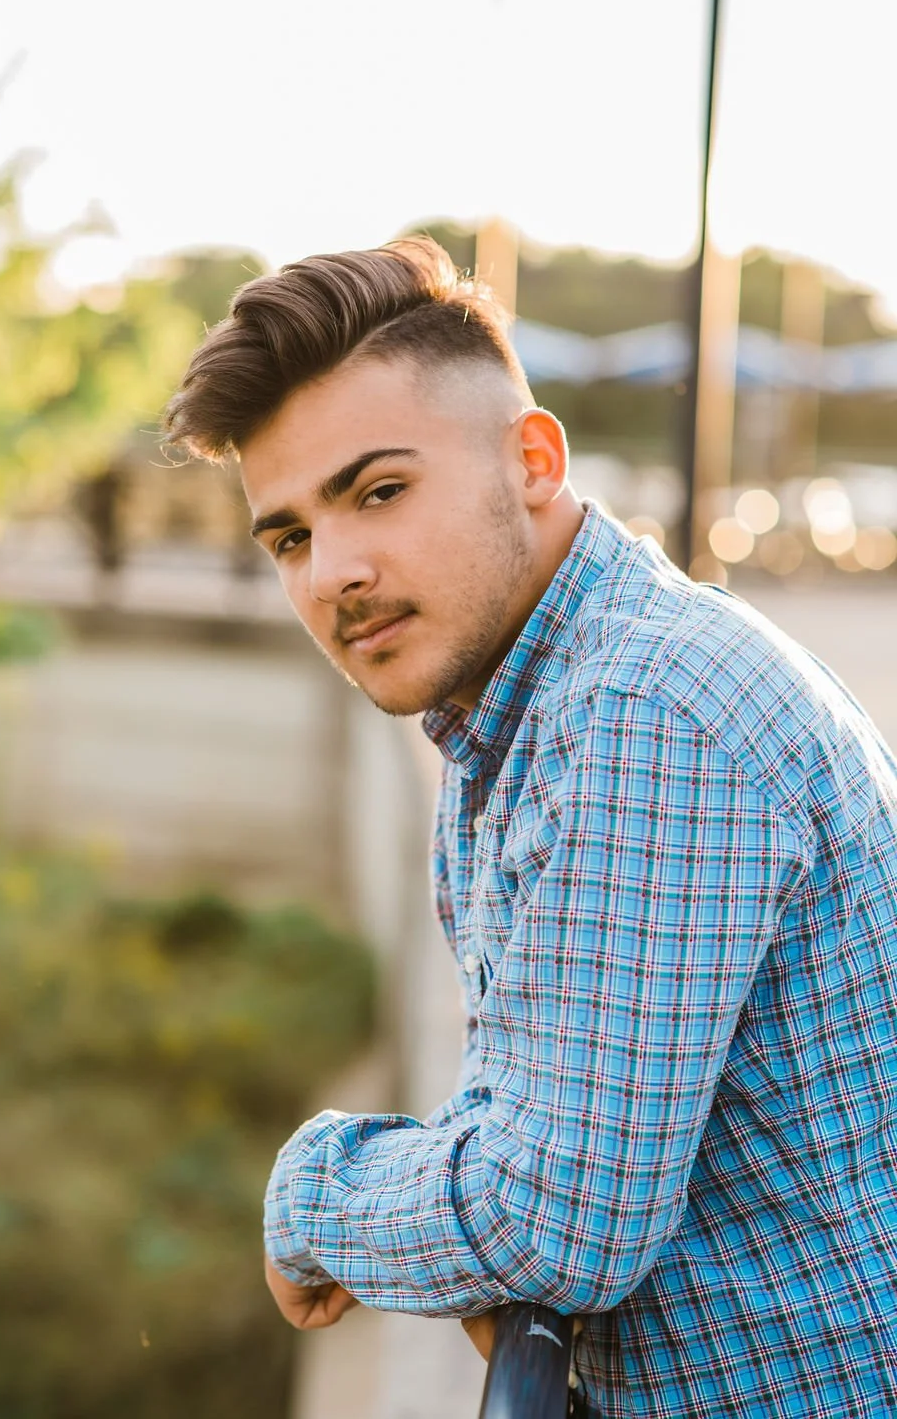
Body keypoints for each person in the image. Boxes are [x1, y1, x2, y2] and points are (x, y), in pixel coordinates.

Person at [163, 237, 897, 1417]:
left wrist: (316, 1192)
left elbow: (557, 1217)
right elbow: (516, 1122)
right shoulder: (524, 704)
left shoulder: (644, 709)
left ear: (534, 460)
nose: (333, 572)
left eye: (379, 491)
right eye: (291, 537)